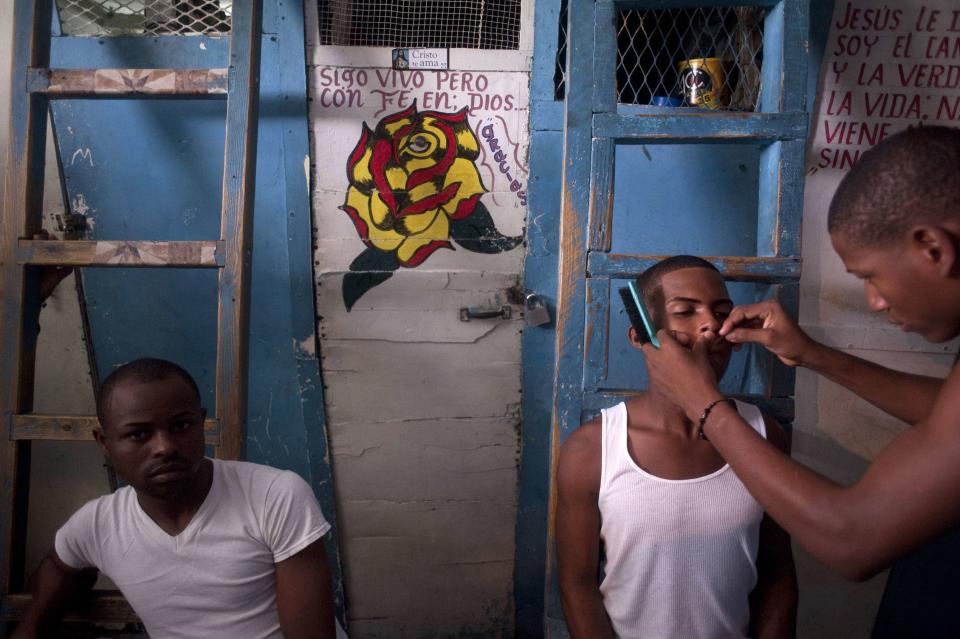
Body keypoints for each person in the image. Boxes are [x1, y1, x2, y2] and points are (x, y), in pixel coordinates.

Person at [640, 126, 960, 634]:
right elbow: (948, 411)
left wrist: (703, 402)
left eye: (870, 276)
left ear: (933, 248)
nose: (875, 302)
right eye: (685, 311)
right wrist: (812, 355)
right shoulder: (600, 446)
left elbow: (852, 539)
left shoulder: (765, 433)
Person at [11, 358, 345, 639]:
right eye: (139, 434)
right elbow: (61, 566)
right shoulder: (98, 524)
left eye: (181, 425)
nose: (164, 447)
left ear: (201, 424)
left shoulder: (275, 495)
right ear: (105, 442)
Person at [556, 256, 797, 639]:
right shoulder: (592, 449)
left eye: (722, 312)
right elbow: (576, 585)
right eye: (685, 311)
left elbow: (777, 574)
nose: (711, 326)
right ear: (639, 337)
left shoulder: (764, 434)